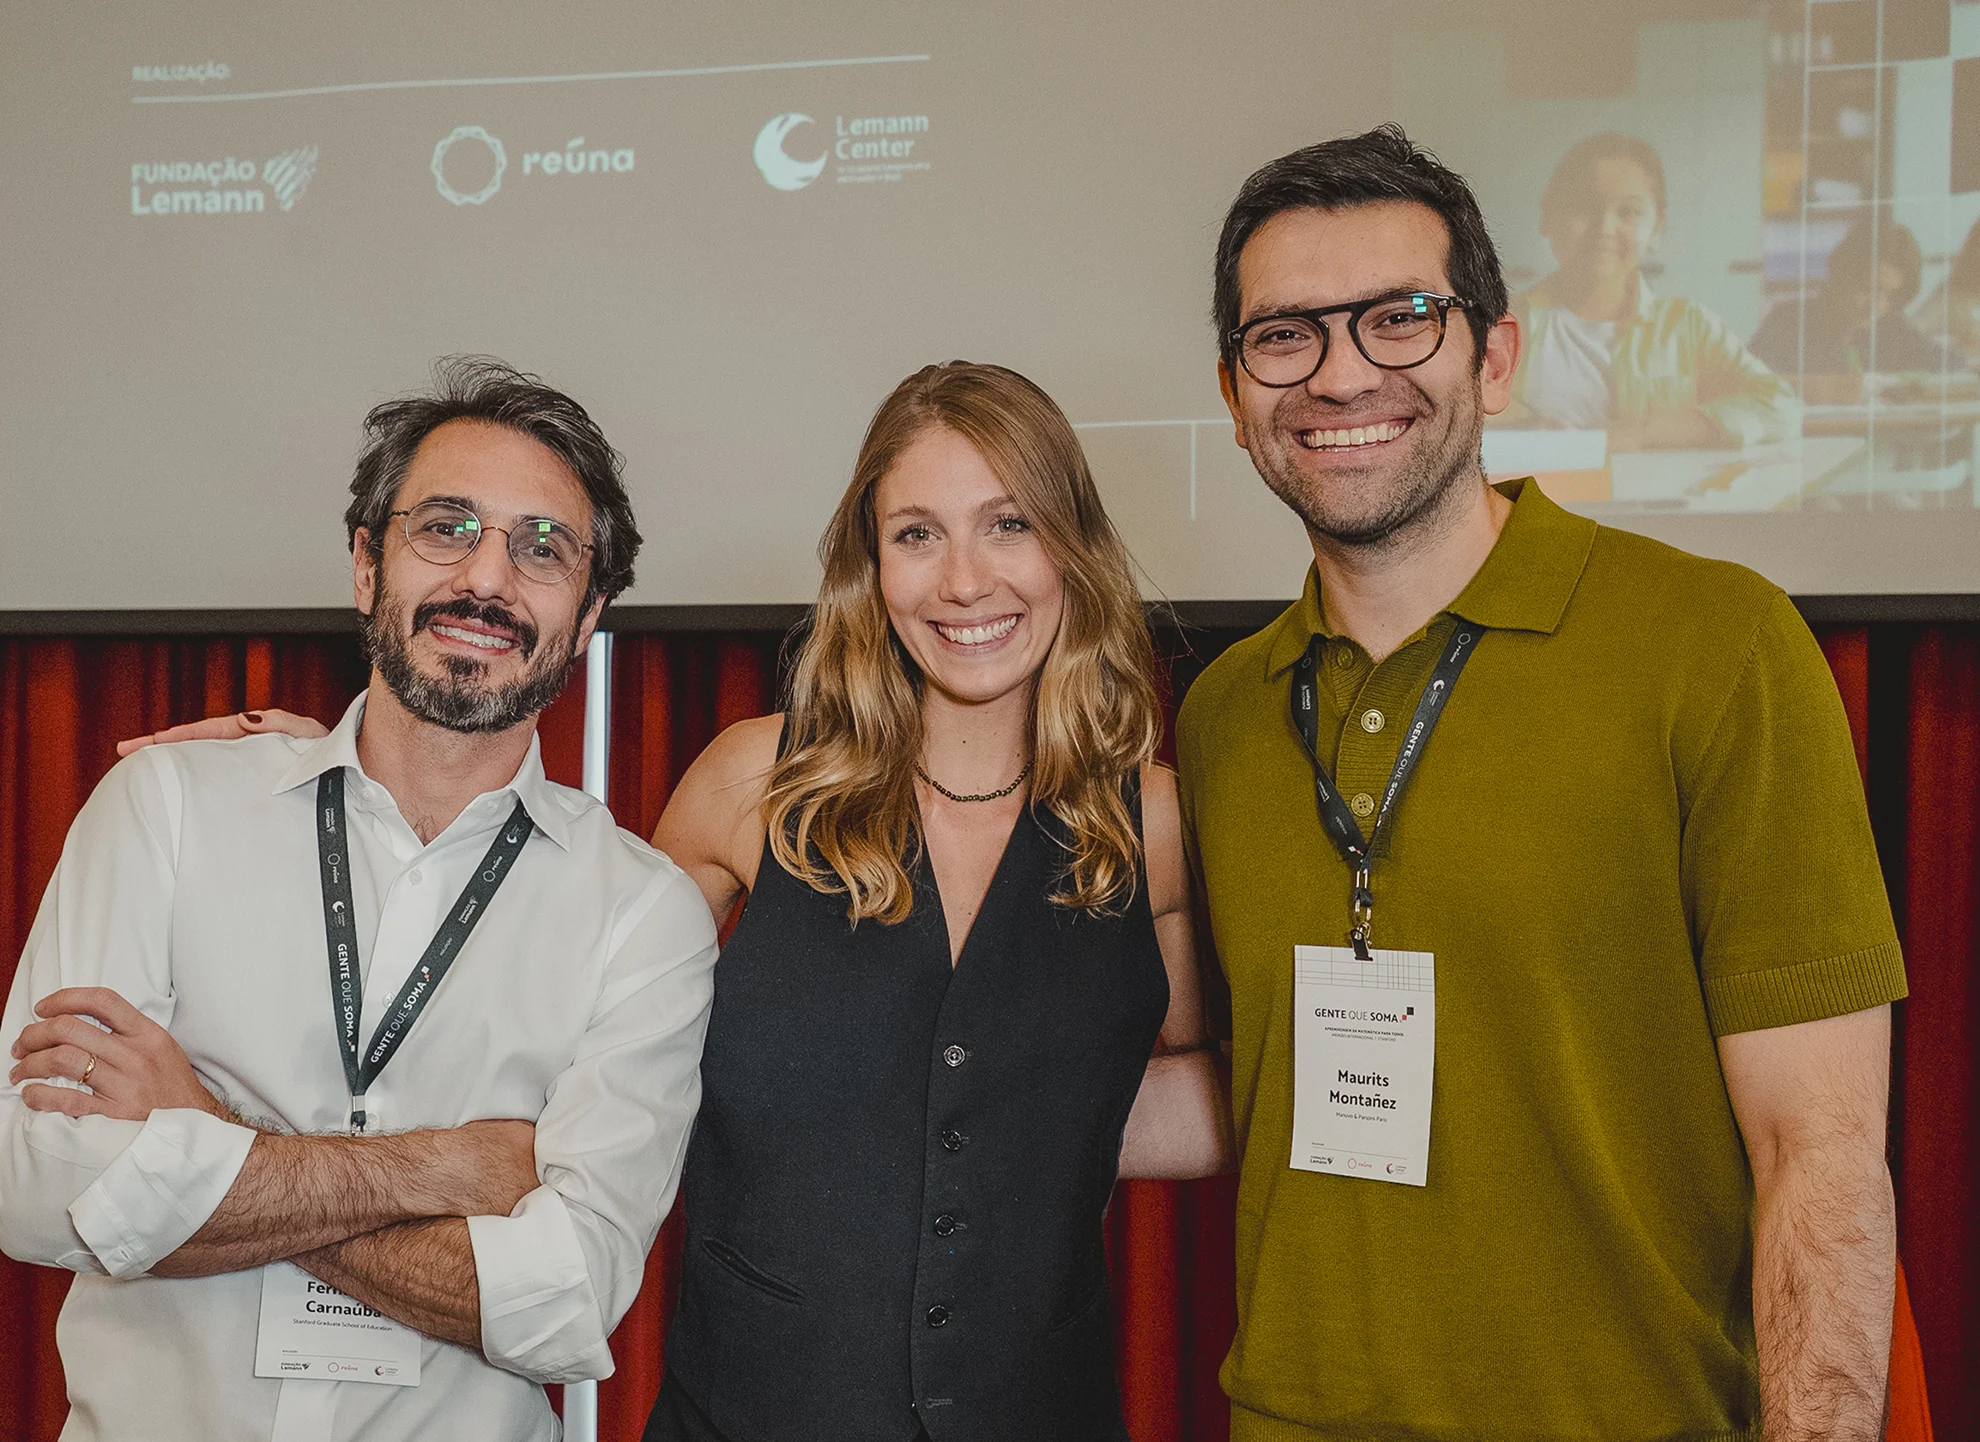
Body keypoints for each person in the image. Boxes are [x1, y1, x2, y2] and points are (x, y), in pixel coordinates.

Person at [125, 360, 1232, 1441]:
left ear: (1070, 545)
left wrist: (1013, 1128)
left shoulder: (1150, 826)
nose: (964, 581)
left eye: (1008, 524)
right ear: (869, 565)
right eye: (915, 534)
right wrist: (359, 776)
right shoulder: (755, 783)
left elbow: (1205, 1092)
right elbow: (552, 974)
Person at [1179, 125, 1906, 1441]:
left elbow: (1820, 1153)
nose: (1341, 372)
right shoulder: (1226, 712)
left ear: (1495, 356)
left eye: (1398, 317)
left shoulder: (1717, 645)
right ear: (1234, 397)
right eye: (1284, 336)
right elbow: (1240, 1087)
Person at [0, 357, 718, 1442]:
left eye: (542, 547)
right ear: (365, 564)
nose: (488, 577)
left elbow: (564, 1302)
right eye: (446, 527)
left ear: (587, 615)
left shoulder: (641, 914)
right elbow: (39, 1181)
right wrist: (446, 1168)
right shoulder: (166, 807)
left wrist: (200, 1132)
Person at [1508, 131, 1800, 449]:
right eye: (1584, 207)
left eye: (1629, 212)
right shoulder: (1497, 326)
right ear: (1547, 217)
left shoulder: (1687, 326)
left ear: (1657, 228)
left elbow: (1781, 408)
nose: (1605, 228)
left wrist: (1645, 431)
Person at [1751, 220, 1959, 392]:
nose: (1876, 306)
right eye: (1867, 289)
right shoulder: (1788, 321)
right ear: (1842, 277)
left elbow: (1954, 366)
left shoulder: (1893, 327)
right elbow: (1749, 380)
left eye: (1890, 296)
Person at [1913, 206, 1980, 373]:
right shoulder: (1950, 294)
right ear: (1978, 253)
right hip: (1965, 376)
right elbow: (1912, 335)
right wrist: (1955, 341)